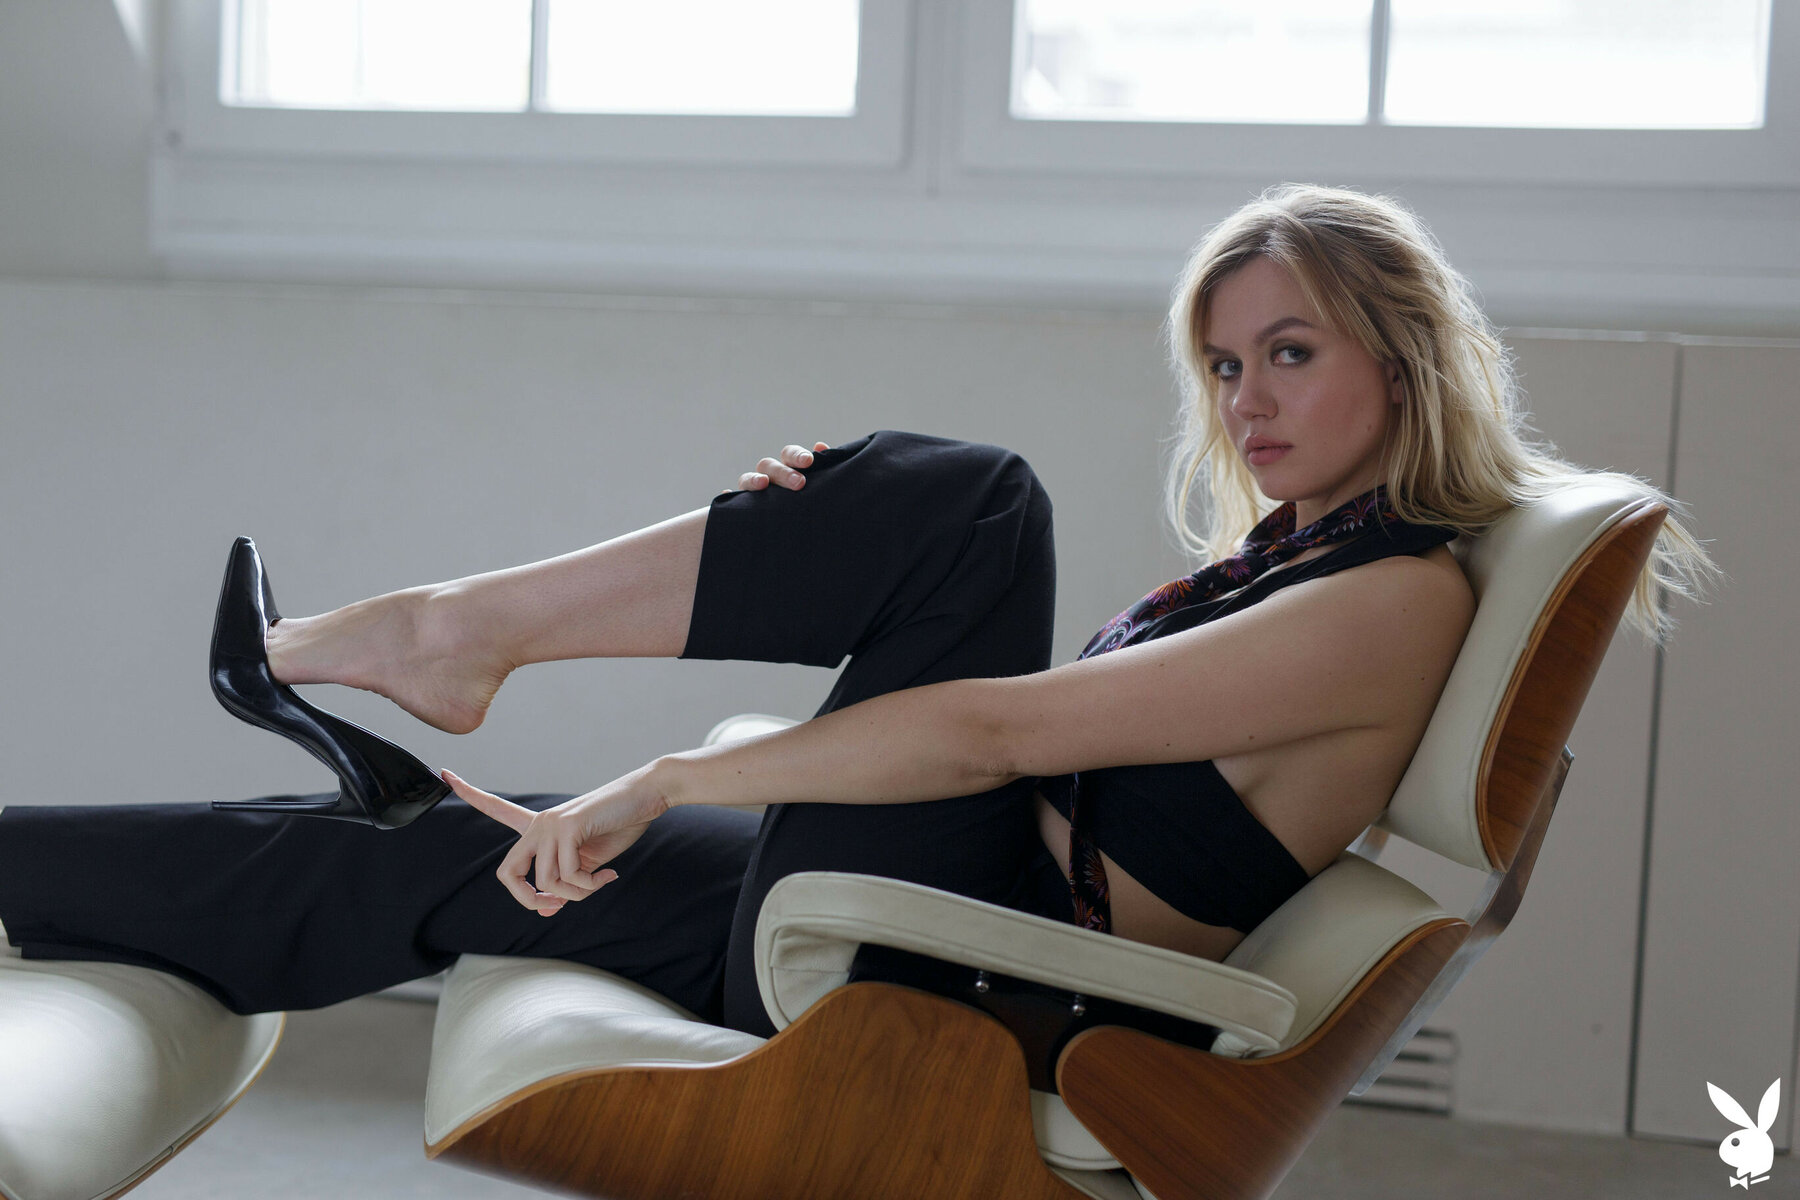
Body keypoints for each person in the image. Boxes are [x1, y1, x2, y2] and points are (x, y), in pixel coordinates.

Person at [0, 184, 1717, 1044]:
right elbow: (996, 735)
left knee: (974, 505)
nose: (1245, 401)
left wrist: (676, 776)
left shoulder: (1393, 602)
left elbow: (994, 731)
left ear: (1401, 360)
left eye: (1289, 353)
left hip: (982, 979)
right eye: (1221, 364)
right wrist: (825, 541)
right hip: (942, 914)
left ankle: (459, 634)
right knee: (436, 848)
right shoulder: (1292, 560)